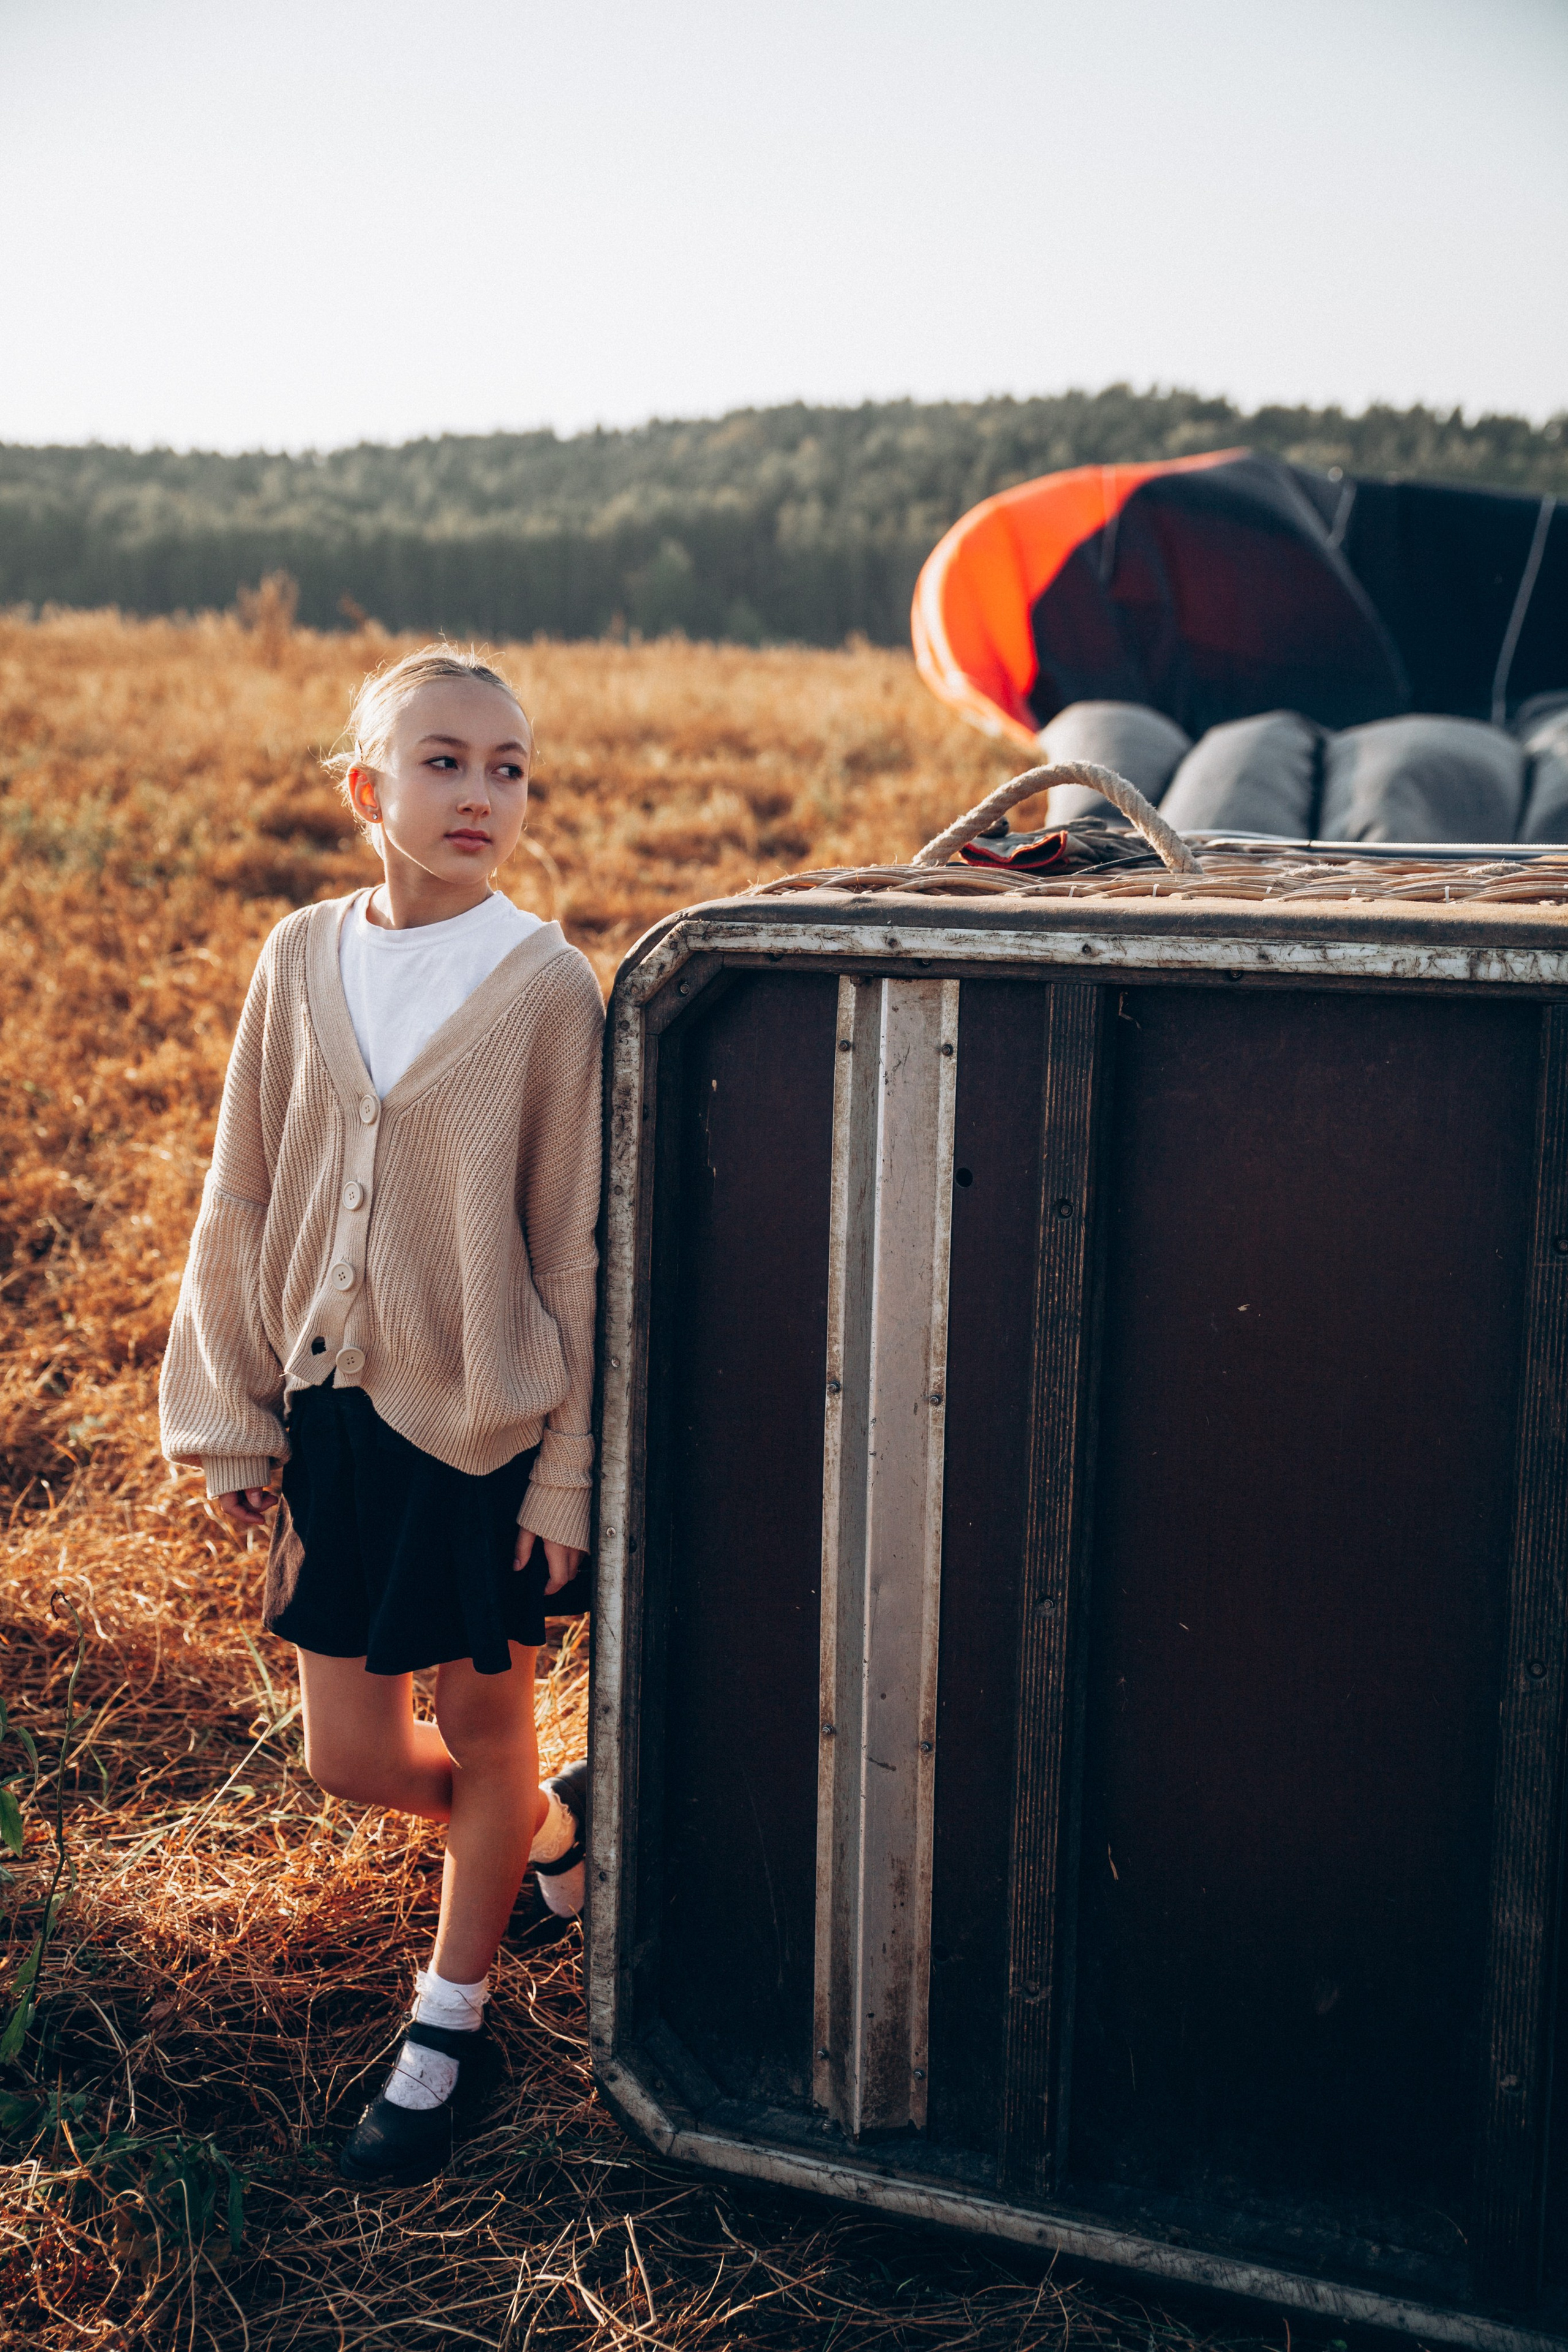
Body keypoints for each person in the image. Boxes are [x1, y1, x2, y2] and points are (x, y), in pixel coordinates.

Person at [159, 644, 603, 2188]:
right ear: (365, 789)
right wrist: (225, 1405)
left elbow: (574, 1250)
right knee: (347, 1755)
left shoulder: (548, 985)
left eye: (509, 767)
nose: (482, 792)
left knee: (489, 1734)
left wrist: (566, 1486)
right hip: (336, 1413)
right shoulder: (298, 957)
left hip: (484, 1433)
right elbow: (245, 1190)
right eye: (443, 760)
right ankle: (552, 1843)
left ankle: (448, 2021)